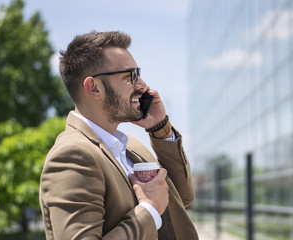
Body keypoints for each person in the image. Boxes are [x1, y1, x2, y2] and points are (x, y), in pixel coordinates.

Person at [39, 31, 198, 240]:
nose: (143, 85)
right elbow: (156, 206)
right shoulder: (72, 156)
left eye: (138, 73)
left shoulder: (130, 146)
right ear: (94, 87)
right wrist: (149, 210)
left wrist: (160, 128)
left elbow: (182, 198)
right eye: (129, 76)